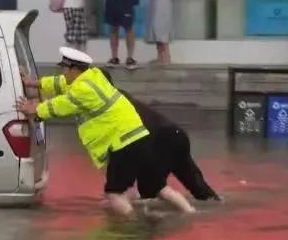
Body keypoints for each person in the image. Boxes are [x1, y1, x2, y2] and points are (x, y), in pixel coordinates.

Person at [16, 46, 196, 217]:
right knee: (159, 188)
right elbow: (60, 83)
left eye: (64, 68)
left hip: (123, 144)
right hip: (139, 137)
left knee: (114, 194)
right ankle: (190, 214)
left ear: (73, 69)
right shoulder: (93, 76)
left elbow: (58, 106)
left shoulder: (82, 90)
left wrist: (32, 109)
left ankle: (134, 224)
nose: (63, 72)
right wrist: (33, 83)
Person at [100, 69, 220, 201]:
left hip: (161, 140)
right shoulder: (119, 96)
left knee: (151, 190)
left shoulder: (108, 104)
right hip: (175, 134)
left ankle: (177, 214)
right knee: (200, 190)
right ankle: (213, 207)